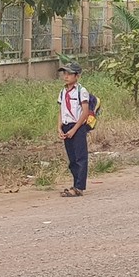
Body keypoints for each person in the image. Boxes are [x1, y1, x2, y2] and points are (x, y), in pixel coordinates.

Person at [57, 61, 91, 197]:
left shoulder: (81, 91)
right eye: (64, 73)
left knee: (80, 157)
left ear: (77, 76)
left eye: (69, 74)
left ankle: (79, 187)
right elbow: (61, 110)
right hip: (66, 126)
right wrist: (59, 127)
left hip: (77, 126)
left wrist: (74, 129)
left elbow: (85, 112)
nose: (66, 76)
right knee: (72, 158)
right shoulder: (62, 91)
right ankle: (75, 183)